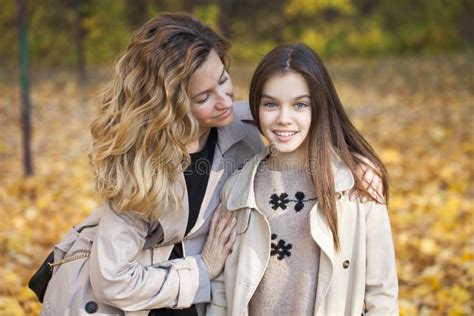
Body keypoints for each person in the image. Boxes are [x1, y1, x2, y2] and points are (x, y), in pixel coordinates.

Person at [39, 13, 383, 316]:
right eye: (203, 97)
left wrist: (350, 165)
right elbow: (112, 281)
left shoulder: (241, 127)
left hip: (194, 299)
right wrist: (203, 269)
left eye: (223, 80)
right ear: (168, 107)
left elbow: (296, 119)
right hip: (121, 303)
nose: (225, 102)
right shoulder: (139, 165)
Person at [207, 44, 398, 316]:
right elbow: (222, 295)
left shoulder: (354, 185)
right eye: (271, 104)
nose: (284, 119)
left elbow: (382, 294)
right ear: (255, 107)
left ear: (319, 106)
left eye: (300, 104)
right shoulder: (237, 191)